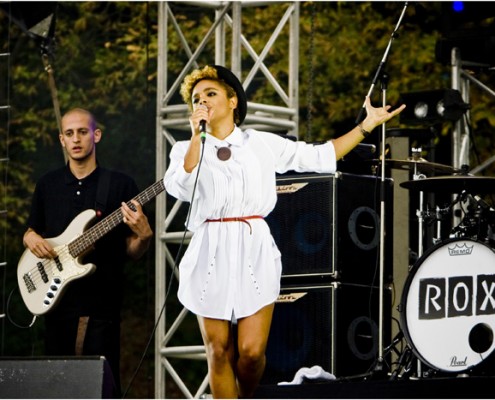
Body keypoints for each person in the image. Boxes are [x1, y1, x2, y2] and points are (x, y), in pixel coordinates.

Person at [163, 64, 406, 399]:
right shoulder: (185, 148)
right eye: (196, 98)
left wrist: (365, 126)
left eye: (211, 93)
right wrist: (196, 135)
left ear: (233, 101)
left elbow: (322, 155)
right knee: (218, 350)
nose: (202, 101)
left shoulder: (259, 144)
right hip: (211, 247)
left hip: (253, 245)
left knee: (250, 354)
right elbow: (180, 185)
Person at [22, 108, 153, 396]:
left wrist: (144, 236)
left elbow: (132, 251)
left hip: (101, 308)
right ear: (61, 140)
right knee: (57, 391)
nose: (76, 139)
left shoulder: (120, 185)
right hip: (54, 304)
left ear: (96, 135)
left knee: (99, 389)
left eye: (82, 131)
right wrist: (29, 238)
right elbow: (32, 230)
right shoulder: (48, 185)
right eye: (69, 133)